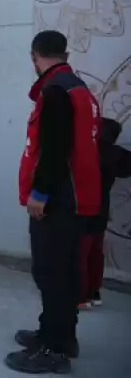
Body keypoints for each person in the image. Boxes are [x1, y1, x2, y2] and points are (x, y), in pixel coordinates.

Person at [6, 30, 101, 375]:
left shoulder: (55, 91)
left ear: (35, 56)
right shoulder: (76, 86)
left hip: (59, 199)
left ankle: (54, 349)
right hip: (75, 197)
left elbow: (56, 148)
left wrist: (40, 193)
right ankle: (55, 333)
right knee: (63, 272)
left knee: (53, 274)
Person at [78, 118, 131, 309]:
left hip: (82, 208)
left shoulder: (86, 150)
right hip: (101, 209)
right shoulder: (115, 154)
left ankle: (80, 297)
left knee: (80, 253)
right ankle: (93, 293)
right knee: (95, 253)